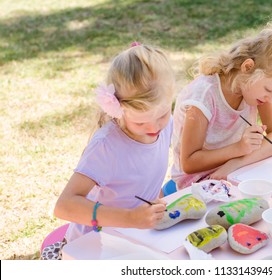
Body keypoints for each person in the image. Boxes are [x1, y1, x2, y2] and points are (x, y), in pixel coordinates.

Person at [41, 42, 175, 259]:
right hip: (93, 247)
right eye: (140, 123)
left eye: (161, 115)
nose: (153, 128)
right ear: (119, 111)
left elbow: (143, 175)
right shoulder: (106, 146)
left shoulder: (166, 125)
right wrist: (131, 218)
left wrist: (151, 207)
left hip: (135, 236)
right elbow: (64, 206)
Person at [171, 14, 272, 189]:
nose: (270, 98)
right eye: (269, 90)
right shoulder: (203, 97)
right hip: (196, 183)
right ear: (247, 67)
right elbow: (189, 163)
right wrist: (238, 149)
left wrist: (237, 161)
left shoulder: (256, 90)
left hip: (236, 171)